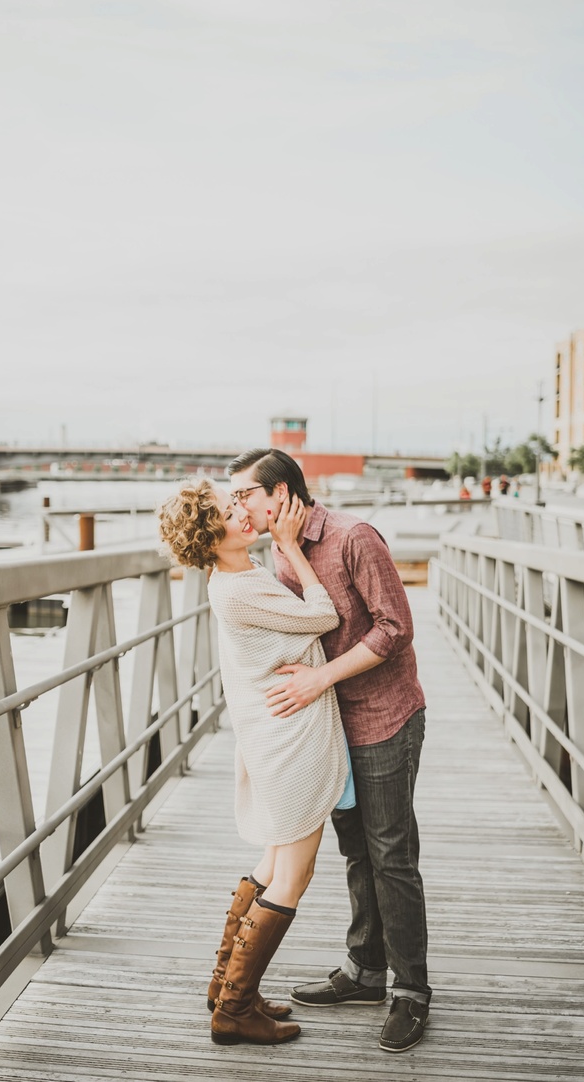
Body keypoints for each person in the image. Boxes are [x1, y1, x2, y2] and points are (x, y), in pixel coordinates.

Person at [230, 447, 430, 1053]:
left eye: (245, 494)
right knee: (353, 852)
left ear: (281, 493)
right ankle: (365, 972)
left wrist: (319, 679)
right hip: (328, 728)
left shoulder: (353, 537)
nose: (238, 505)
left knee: (390, 853)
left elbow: (395, 628)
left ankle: (411, 991)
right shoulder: (276, 551)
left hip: (384, 717)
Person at [159, 482, 348, 1046]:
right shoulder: (238, 587)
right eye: (226, 511)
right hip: (290, 741)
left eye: (237, 503)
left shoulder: (235, 578)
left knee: (270, 862)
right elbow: (325, 615)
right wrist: (291, 546)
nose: (242, 511)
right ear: (210, 537)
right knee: (295, 873)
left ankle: (225, 986)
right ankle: (235, 1010)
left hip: (276, 738)